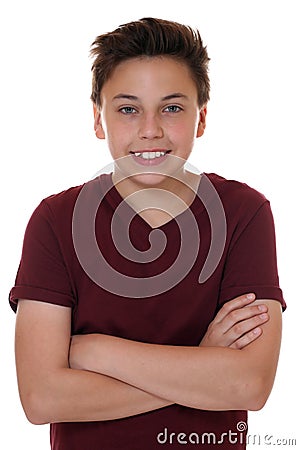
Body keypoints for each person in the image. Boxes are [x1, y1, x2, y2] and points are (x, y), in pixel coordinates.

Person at [9, 17, 285, 450]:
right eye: (128, 108)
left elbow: (248, 386)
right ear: (99, 120)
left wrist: (94, 351)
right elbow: (41, 398)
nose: (150, 129)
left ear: (202, 118)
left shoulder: (245, 213)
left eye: (172, 108)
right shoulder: (55, 221)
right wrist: (201, 364)